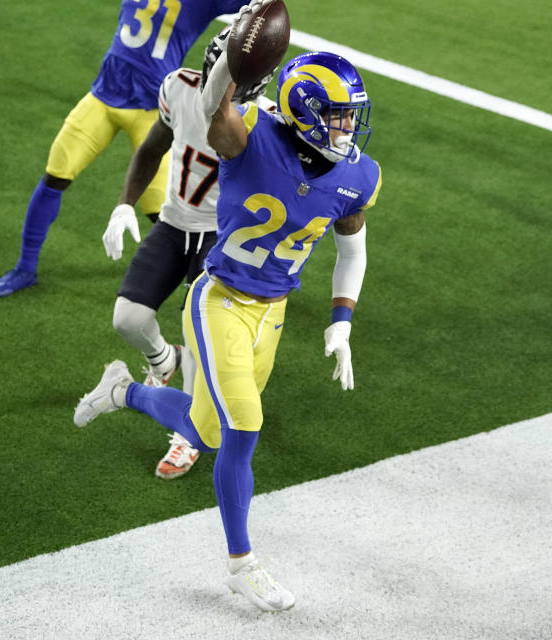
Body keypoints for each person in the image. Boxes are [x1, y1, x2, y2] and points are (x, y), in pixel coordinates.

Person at [73, 29, 381, 612]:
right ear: (308, 113)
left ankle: (123, 391)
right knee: (244, 427)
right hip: (219, 302)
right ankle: (243, 563)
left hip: (274, 313)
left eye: (351, 118)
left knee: (207, 431)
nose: (348, 129)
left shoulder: (359, 176)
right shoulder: (249, 137)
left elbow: (353, 251)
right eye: (339, 117)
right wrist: (236, 54)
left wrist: (342, 320)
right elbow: (218, 109)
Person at [101, 27, 275, 479]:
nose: (215, 81)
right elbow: (152, 148)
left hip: (221, 237)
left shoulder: (265, 120)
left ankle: (187, 437)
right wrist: (124, 204)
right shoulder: (178, 87)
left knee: (202, 341)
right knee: (128, 318)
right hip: (175, 222)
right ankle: (163, 361)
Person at [0, 0, 249, 298]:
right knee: (56, 175)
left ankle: (223, 277)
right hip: (103, 96)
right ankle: (25, 267)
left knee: (164, 211)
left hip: (151, 110)